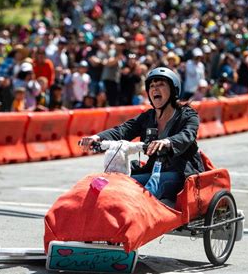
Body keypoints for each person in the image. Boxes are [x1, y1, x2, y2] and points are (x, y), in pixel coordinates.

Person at [80, 67, 204, 204]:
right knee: (118, 186)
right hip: (154, 170)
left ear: (173, 89)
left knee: (143, 194)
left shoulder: (187, 115)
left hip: (181, 173)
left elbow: (187, 135)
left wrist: (167, 142)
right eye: (151, 86)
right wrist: (96, 138)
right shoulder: (147, 117)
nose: (155, 89)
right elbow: (122, 130)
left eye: (161, 84)